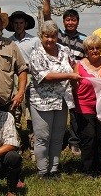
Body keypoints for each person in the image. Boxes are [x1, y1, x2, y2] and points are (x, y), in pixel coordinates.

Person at [28, 20, 80, 179]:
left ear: (57, 36)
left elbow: (74, 64)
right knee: (43, 137)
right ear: (41, 36)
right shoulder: (36, 53)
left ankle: (54, 169)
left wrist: (74, 80)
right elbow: (45, 76)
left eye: (53, 36)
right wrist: (70, 76)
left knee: (58, 136)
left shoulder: (64, 50)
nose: (50, 39)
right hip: (41, 101)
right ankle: (43, 171)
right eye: (46, 36)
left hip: (62, 100)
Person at [42, 0, 87, 156]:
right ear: (63, 21)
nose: (70, 22)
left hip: (75, 80)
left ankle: (74, 142)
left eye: (73, 20)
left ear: (77, 21)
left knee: (76, 111)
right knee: (55, 111)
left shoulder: (83, 39)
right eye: (67, 20)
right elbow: (47, 18)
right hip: (56, 80)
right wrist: (47, 0)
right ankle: (56, 141)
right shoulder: (57, 36)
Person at [72, 34, 101, 177]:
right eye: (91, 48)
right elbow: (73, 86)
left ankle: (98, 167)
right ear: (86, 49)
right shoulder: (79, 66)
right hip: (84, 106)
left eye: (97, 48)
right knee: (89, 137)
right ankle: (87, 169)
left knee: (99, 137)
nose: (94, 51)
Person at [6, 10, 38, 154]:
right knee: (14, 112)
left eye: (21, 23)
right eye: (16, 23)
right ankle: (17, 144)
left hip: (31, 78)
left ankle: (34, 146)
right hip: (13, 79)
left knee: (32, 114)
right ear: (12, 25)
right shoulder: (8, 42)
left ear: (25, 24)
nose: (19, 26)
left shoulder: (34, 41)